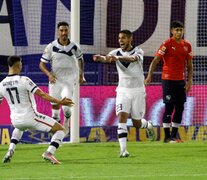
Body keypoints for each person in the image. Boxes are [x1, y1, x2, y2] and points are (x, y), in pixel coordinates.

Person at [0, 55, 74, 164]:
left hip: (15, 121)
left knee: (19, 127)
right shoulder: (24, 80)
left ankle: (10, 149)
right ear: (19, 65)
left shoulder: (1, 85)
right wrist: (60, 102)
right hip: (31, 118)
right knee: (61, 130)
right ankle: (49, 153)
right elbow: (42, 95)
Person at [93, 30, 155, 157]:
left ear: (130, 39)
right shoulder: (115, 52)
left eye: (124, 38)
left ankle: (148, 125)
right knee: (122, 117)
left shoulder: (138, 51)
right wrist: (100, 58)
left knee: (136, 123)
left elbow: (132, 59)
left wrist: (118, 58)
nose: (121, 40)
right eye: (119, 38)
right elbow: (107, 58)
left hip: (138, 90)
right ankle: (123, 150)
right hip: (122, 90)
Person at [145, 20, 193, 143]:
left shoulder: (187, 45)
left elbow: (189, 65)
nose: (179, 32)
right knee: (169, 107)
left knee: (180, 108)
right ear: (172, 31)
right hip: (168, 80)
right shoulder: (166, 44)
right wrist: (149, 76)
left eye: (181, 30)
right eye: (176, 30)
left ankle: (174, 136)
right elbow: (155, 60)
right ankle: (167, 137)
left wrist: (189, 80)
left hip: (181, 81)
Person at [39, 21, 85, 132]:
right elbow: (41, 64)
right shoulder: (51, 47)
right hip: (56, 81)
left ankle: (66, 122)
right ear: (58, 32)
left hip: (69, 80)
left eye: (65, 30)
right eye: (61, 30)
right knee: (55, 107)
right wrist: (49, 74)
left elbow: (80, 60)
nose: (63, 33)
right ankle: (57, 132)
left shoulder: (74, 46)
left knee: (66, 108)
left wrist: (81, 75)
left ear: (68, 31)